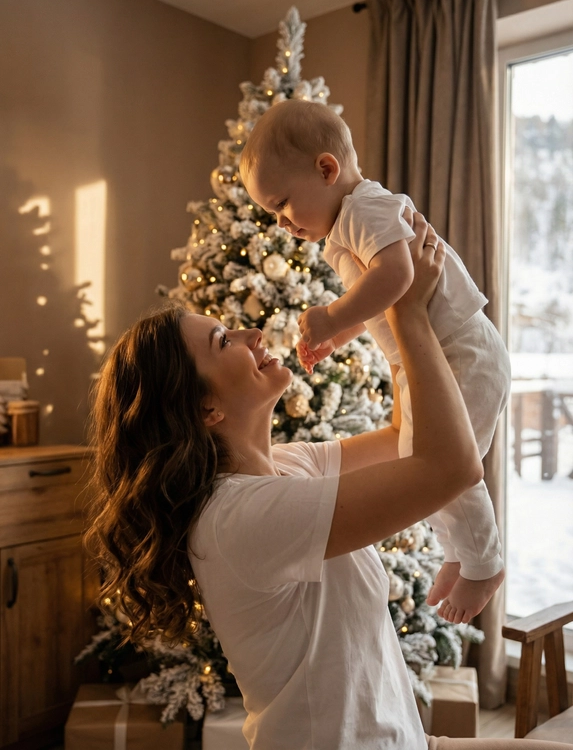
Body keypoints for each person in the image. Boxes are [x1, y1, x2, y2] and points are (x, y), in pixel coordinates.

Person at [85, 214, 572, 750]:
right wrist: (409, 313)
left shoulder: (292, 466)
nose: (252, 333)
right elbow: (451, 465)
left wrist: (383, 310)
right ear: (204, 408)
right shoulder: (236, 516)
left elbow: (401, 436)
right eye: (224, 340)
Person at [239, 99, 510, 625]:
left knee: (444, 463)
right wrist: (341, 333)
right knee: (417, 462)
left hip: (461, 352)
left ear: (325, 169)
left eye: (283, 204)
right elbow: (383, 296)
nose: (281, 224)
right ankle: (461, 551)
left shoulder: (366, 208)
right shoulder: (344, 227)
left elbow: (396, 278)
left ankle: (485, 563)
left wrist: (332, 315)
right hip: (431, 358)